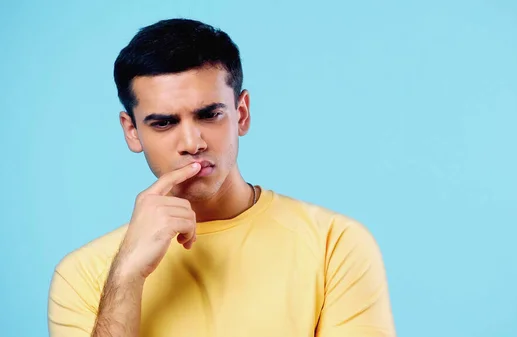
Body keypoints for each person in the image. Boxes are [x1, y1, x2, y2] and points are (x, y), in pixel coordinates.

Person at [47, 18, 395, 337]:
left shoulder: (334, 244)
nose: (192, 143)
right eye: (164, 123)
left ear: (241, 114)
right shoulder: (82, 275)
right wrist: (126, 277)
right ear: (132, 131)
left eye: (210, 115)